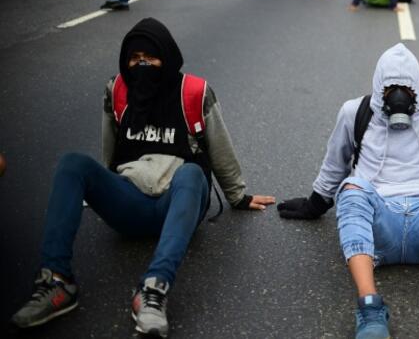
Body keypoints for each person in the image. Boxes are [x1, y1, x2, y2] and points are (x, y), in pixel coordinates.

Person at [9, 18, 276, 337]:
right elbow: (109, 150)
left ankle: (153, 290)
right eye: (135, 58)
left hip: (178, 202)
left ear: (167, 56)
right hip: (131, 202)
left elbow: (219, 146)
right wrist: (97, 189)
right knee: (72, 163)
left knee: (192, 172)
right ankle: (57, 281)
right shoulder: (117, 90)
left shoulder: (193, 91)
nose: (142, 64)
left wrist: (238, 196)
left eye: (151, 57)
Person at [277, 44, 419, 339]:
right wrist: (315, 204)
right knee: (351, 188)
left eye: (408, 89)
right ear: (379, 87)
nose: (399, 96)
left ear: (418, 87)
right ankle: (370, 307)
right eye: (391, 89)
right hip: (379, 231)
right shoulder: (355, 112)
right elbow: (335, 165)